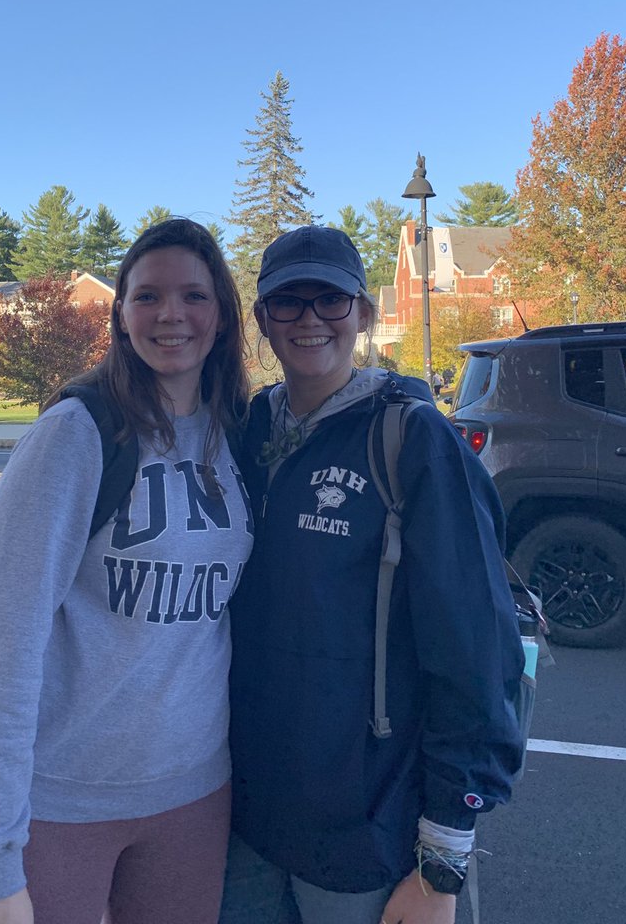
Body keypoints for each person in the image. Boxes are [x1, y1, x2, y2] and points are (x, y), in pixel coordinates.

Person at [0, 218, 253, 924]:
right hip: (58, 801)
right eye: (147, 296)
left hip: (194, 797)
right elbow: (0, 644)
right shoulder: (77, 434)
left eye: (194, 295)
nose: (171, 314)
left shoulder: (235, 430)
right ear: (120, 316)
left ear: (221, 316)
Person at [220, 226, 524, 924]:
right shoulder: (246, 432)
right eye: (287, 302)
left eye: (330, 299)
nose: (310, 319)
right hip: (243, 817)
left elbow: (475, 648)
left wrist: (443, 858)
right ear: (262, 319)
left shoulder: (412, 440)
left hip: (365, 828)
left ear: (362, 312)